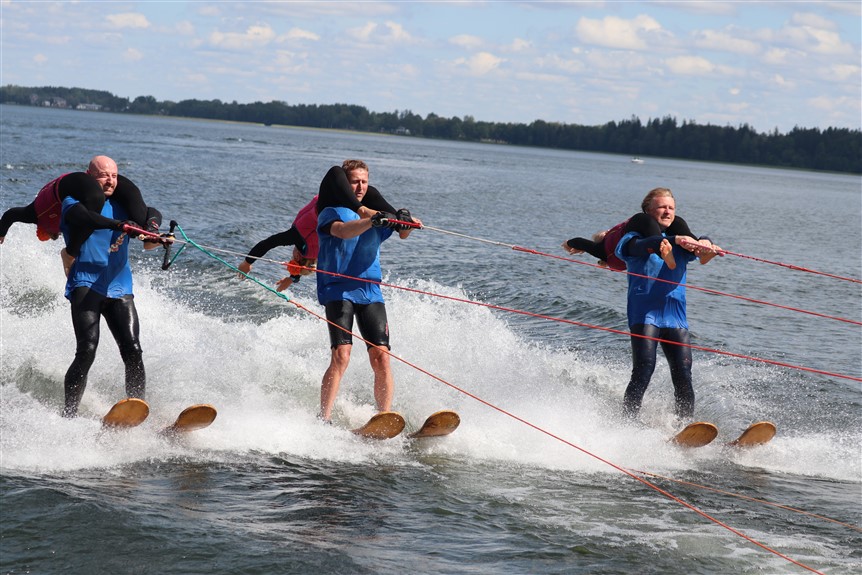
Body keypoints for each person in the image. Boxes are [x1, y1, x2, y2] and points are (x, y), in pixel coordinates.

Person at [315, 159, 420, 422]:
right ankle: (323, 418)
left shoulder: (377, 214)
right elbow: (342, 232)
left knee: (382, 357)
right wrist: (371, 220)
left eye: (364, 181)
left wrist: (406, 223)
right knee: (342, 355)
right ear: (345, 185)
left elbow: (403, 234)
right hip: (338, 291)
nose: (360, 187)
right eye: (354, 182)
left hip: (371, 292)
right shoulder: (331, 212)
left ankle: (383, 417)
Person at [59, 155, 164, 417]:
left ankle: (136, 409)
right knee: (86, 351)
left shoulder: (124, 205)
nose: (110, 181)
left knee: (133, 350)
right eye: (104, 175)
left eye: (114, 176)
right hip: (86, 284)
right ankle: (69, 415)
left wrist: (154, 232)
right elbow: (86, 219)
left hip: (119, 286)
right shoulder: (73, 203)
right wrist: (122, 225)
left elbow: (151, 215)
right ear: (88, 176)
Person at [613, 187, 720, 421]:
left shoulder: (682, 242)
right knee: (644, 370)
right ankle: (626, 423)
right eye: (662, 207)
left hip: (676, 317)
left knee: (683, 374)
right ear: (648, 210)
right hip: (645, 315)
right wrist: (674, 240)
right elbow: (642, 245)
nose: (667, 211)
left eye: (671, 207)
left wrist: (706, 243)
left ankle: (685, 426)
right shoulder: (632, 239)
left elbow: (699, 249)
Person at [238, 163, 401, 291]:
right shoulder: (298, 237)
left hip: (341, 209)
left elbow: (299, 266)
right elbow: (269, 243)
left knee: (364, 193)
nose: (293, 254)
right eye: (295, 257)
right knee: (349, 180)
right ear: (298, 255)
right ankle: (400, 222)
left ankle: (399, 222)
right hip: (331, 201)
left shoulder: (321, 252)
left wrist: (292, 278)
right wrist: (247, 262)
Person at [0, 156, 160, 272]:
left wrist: (1, 233)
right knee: (109, 198)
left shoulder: (36, 215)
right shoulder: (64, 217)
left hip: (70, 183)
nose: (56, 234)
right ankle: (151, 231)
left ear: (46, 230)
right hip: (87, 186)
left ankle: (70, 253)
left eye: (53, 235)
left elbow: (11, 214)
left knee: (122, 201)